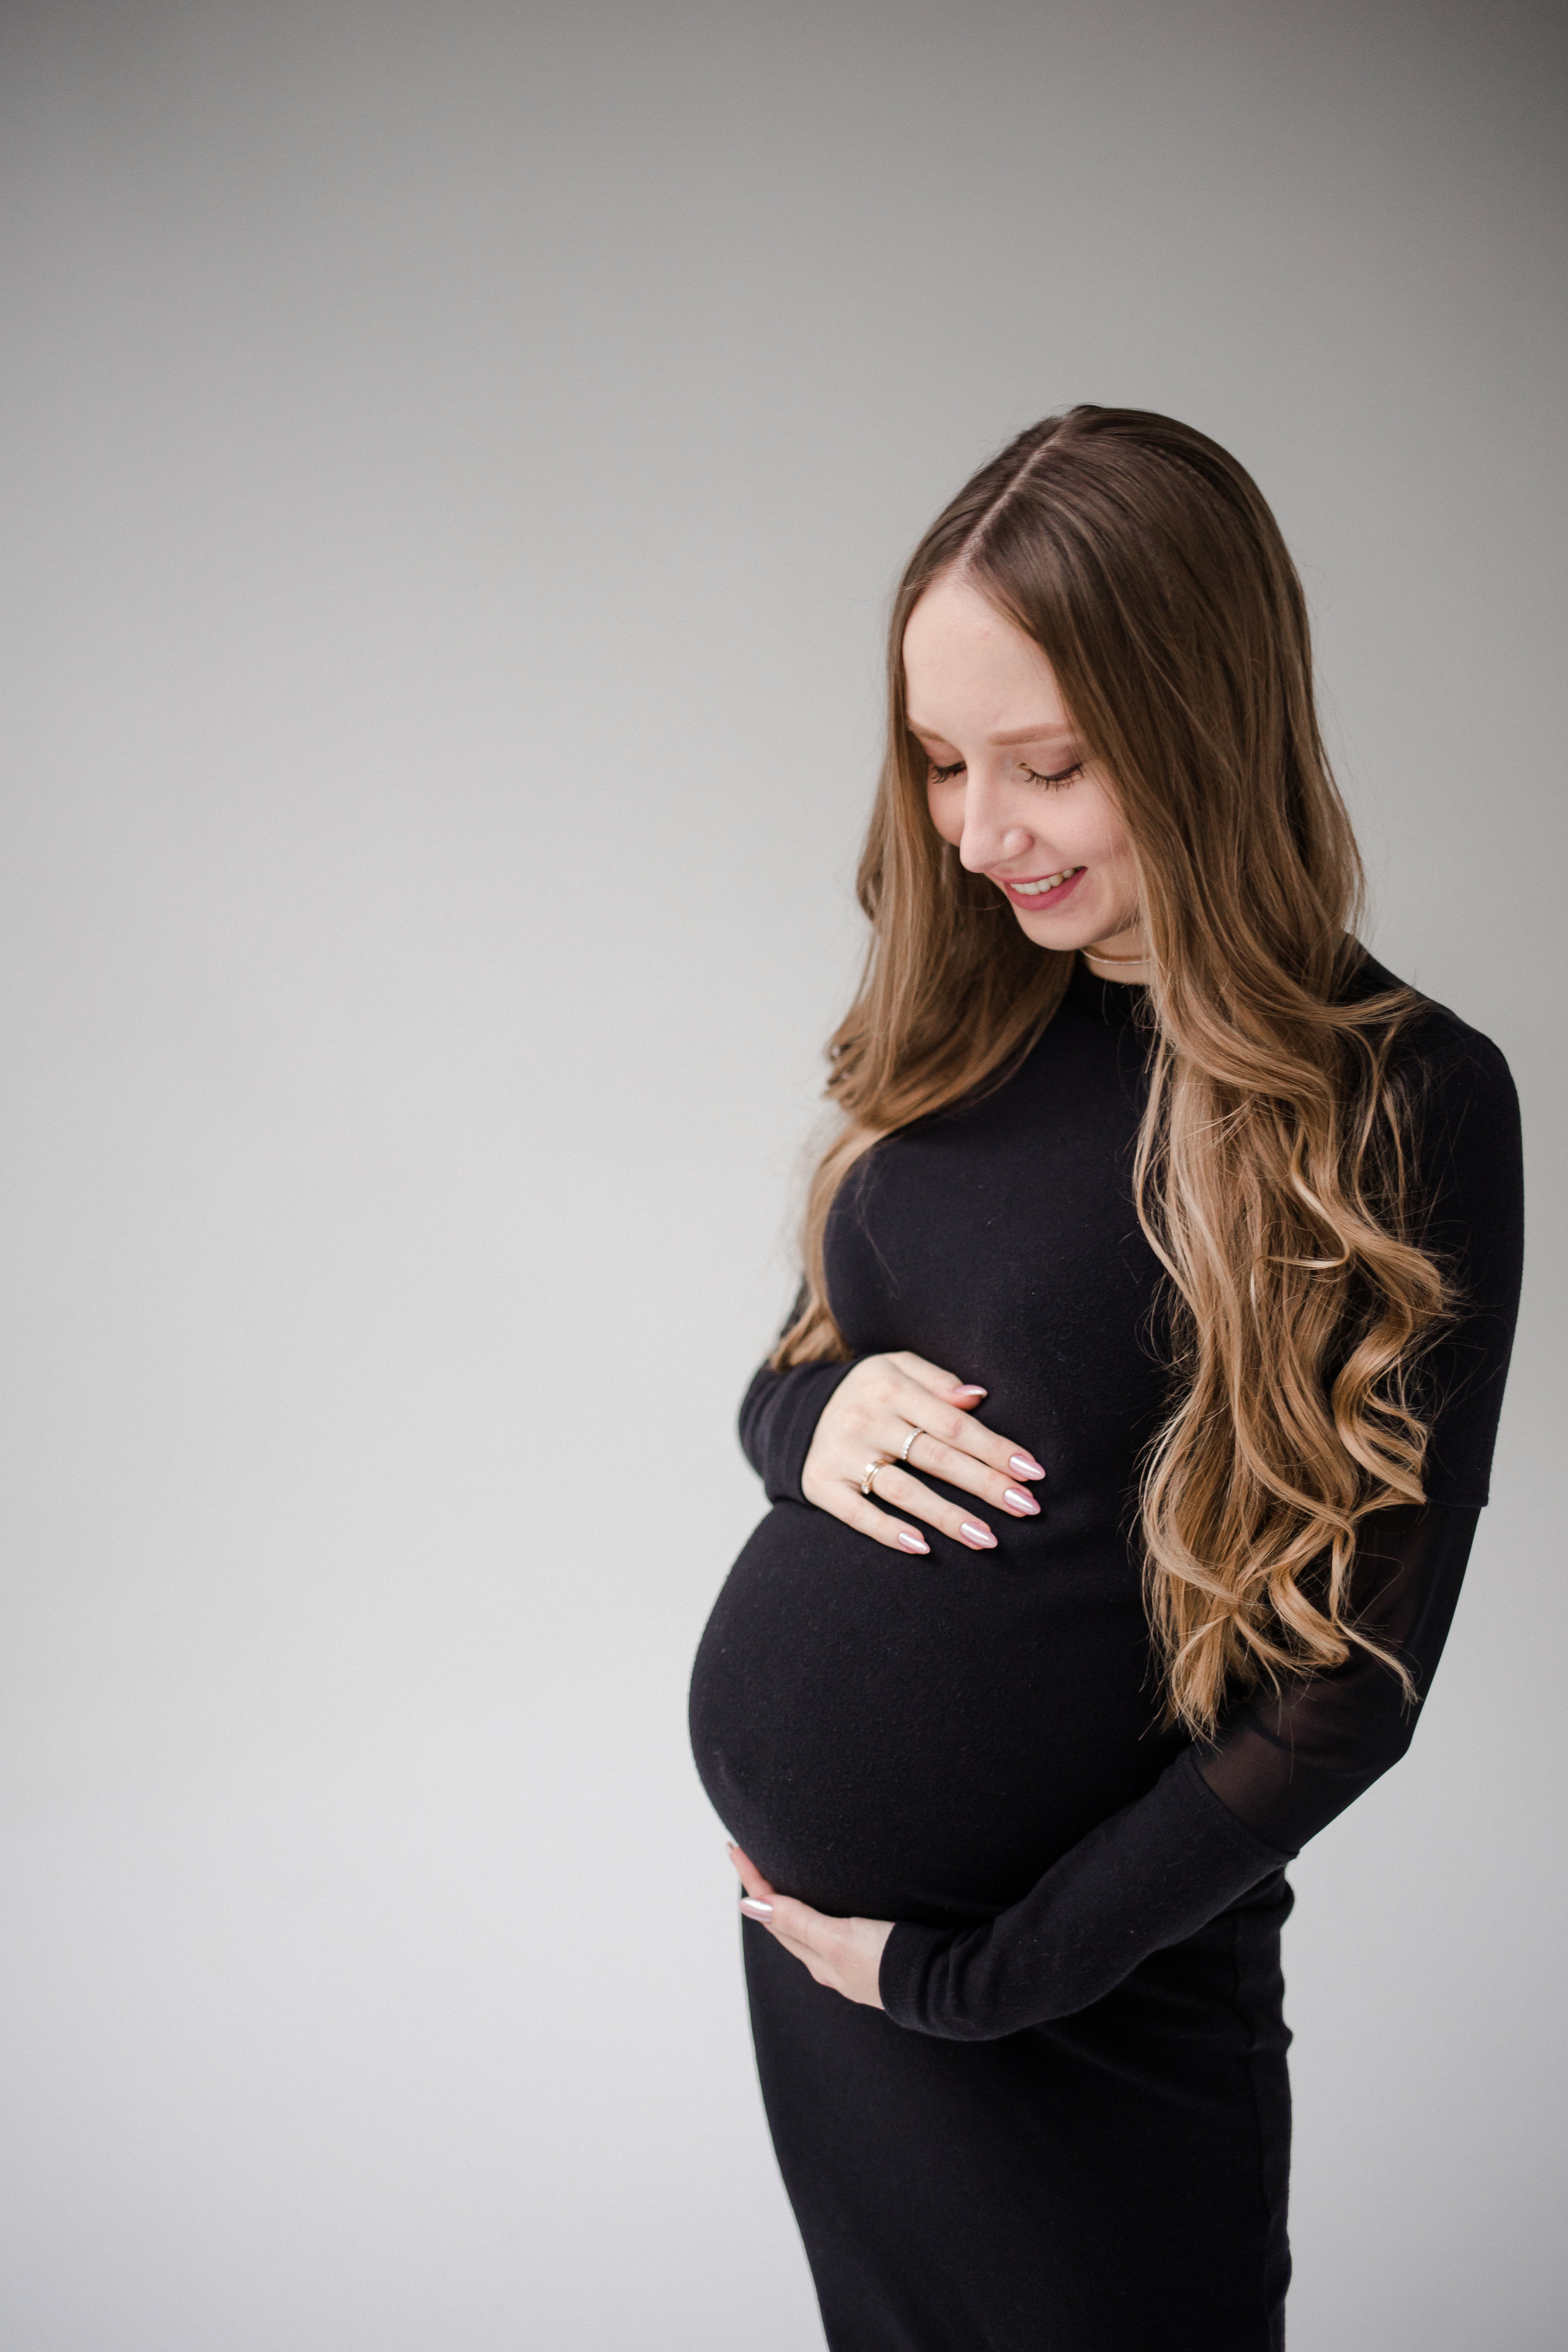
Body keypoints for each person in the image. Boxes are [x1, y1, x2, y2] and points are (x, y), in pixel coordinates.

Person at [687, 407, 1523, 2352]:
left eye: (1049, 765)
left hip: (1078, 2005)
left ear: (1203, 723)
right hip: (838, 1990)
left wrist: (973, 1981)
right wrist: (811, 1424)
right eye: (943, 762)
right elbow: (800, 1381)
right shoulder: (985, 1018)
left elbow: (1353, 1695)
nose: (982, 833)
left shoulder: (1394, 1101)